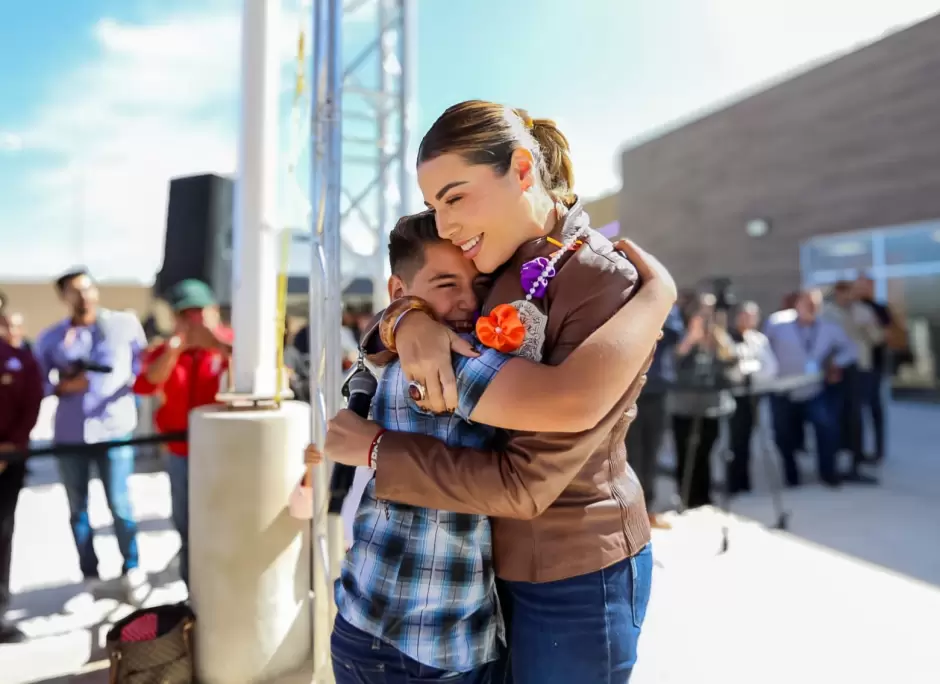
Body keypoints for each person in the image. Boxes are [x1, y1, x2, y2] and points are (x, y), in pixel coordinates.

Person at [322, 101, 665, 683]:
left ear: (523, 171)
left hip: (576, 569)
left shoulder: (601, 277)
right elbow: (422, 288)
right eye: (434, 205)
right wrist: (405, 318)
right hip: (484, 574)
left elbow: (534, 467)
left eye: (454, 198)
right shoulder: (497, 255)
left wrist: (658, 297)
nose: (446, 223)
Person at [34, 268, 151, 605]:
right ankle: (90, 575)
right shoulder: (52, 337)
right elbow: (38, 383)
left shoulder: (123, 325)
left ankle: (132, 567)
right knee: (77, 508)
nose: (83, 296)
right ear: (63, 296)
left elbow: (141, 370)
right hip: (71, 432)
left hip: (114, 427)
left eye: (87, 288)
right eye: (74, 291)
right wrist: (62, 385)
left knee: (120, 502)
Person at [133, 280, 232, 589]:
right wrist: (173, 351)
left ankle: (222, 588)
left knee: (223, 525)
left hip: (224, 455)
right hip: (180, 454)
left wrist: (218, 346)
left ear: (213, 311)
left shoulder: (235, 344)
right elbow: (145, 384)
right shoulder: (167, 351)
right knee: (187, 527)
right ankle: (194, 593)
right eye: (184, 314)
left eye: (198, 312)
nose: (192, 321)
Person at [763, 289, 858, 487]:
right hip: (783, 389)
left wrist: (836, 363)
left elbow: (850, 350)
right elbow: (763, 348)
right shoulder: (777, 324)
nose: (811, 308)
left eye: (815, 304)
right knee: (783, 435)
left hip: (814, 387)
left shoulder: (829, 327)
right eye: (807, 303)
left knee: (826, 428)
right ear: (797, 304)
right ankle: (791, 475)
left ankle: (828, 473)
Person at [668, 294, 737, 509]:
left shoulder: (718, 334)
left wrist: (717, 339)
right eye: (701, 310)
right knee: (685, 450)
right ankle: (686, 496)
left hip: (711, 405)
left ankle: (704, 496)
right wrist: (691, 337)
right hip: (684, 404)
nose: (706, 315)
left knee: (706, 450)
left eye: (710, 310)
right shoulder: (679, 331)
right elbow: (672, 361)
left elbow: (731, 361)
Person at [0, 313, 44, 643]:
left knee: (1, 534)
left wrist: (9, 449)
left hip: (8, 461)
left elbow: (31, 404)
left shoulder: (20, 360)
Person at [627, 303, 683, 528]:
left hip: (657, 387)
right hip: (630, 389)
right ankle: (630, 513)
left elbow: (674, 333)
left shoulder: (666, 301)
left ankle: (648, 509)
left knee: (653, 451)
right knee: (631, 454)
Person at [823, 282, 882, 484]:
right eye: (842, 293)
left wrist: (868, 326)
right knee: (837, 416)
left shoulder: (863, 312)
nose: (846, 297)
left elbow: (877, 338)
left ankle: (856, 460)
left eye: (848, 293)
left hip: (859, 368)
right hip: (836, 369)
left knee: (856, 414)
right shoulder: (827, 313)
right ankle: (838, 459)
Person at [727, 301, 779, 494]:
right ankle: (733, 483)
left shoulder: (758, 339)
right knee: (734, 442)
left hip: (754, 395)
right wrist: (750, 368)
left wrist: (750, 370)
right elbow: (733, 370)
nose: (748, 320)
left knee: (748, 440)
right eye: (744, 315)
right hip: (733, 397)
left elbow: (770, 368)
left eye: (752, 316)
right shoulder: (728, 339)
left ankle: (744, 482)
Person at [854, 275, 892, 462]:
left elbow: (884, 335)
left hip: (874, 366)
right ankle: (858, 450)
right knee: (857, 410)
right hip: (857, 366)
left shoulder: (879, 309)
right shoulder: (850, 308)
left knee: (875, 409)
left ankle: (879, 450)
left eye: (866, 284)